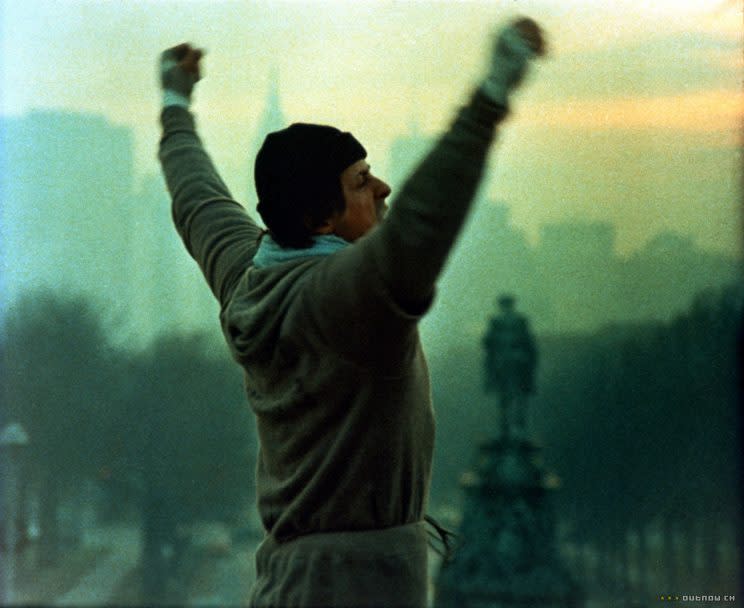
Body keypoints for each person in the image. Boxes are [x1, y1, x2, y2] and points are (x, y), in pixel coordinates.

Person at [158, 17, 546, 608]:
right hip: (354, 590)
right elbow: (420, 228)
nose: (384, 187)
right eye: (362, 182)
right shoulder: (342, 304)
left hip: (292, 583)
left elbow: (197, 196)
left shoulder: (249, 273)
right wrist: (490, 98)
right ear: (319, 219)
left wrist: (174, 103)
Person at [483, 294, 538, 438]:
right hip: (512, 360)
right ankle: (513, 425)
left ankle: (511, 425)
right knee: (511, 395)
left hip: (509, 360)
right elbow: (489, 343)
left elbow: (488, 343)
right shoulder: (506, 321)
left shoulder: (509, 321)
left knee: (510, 395)